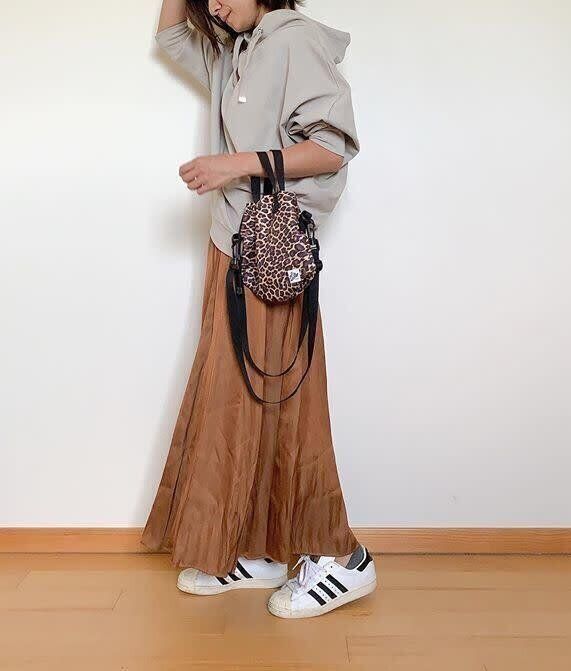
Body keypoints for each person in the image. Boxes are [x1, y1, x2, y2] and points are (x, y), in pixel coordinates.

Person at [141, 0, 376, 619]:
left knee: (289, 397)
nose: (214, 5)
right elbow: (171, 35)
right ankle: (265, 547)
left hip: (272, 250)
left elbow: (331, 148)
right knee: (242, 397)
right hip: (232, 243)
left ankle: (340, 556)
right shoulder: (235, 49)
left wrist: (236, 164)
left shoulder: (295, 41)